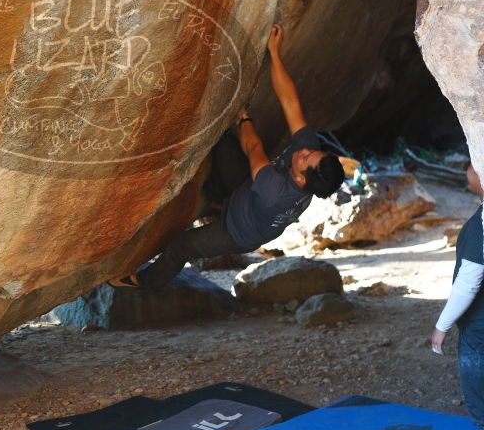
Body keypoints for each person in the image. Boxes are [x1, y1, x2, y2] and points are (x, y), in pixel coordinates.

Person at [110, 23, 344, 290]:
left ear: (302, 179)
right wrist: (275, 53)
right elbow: (291, 102)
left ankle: (141, 281)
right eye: (312, 151)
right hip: (246, 196)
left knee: (181, 247)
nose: (305, 150)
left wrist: (243, 118)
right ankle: (218, 202)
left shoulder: (274, 191)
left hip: (238, 231)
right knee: (221, 144)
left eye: (307, 158)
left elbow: (253, 148)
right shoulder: (309, 159)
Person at [431, 160, 484, 430]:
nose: (468, 179)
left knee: (481, 407)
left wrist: (442, 326)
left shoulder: (481, 226)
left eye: (473, 172)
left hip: (479, 326)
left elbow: (469, 282)